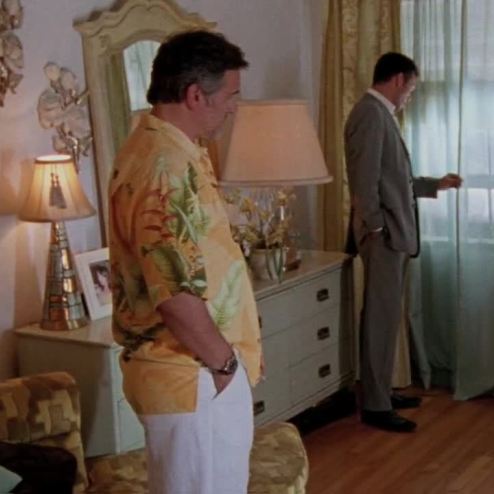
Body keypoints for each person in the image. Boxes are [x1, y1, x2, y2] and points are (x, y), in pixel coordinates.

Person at [108, 31, 262, 493]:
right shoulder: (164, 167)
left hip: (195, 373)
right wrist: (225, 366)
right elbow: (174, 293)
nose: (233, 108)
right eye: (231, 96)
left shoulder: (170, 148)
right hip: (192, 375)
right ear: (196, 95)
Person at [345, 52, 462, 433]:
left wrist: (434, 184)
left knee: (386, 318)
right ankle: (376, 405)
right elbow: (364, 182)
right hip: (384, 237)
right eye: (410, 88)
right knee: (379, 321)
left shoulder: (380, 115)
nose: (409, 96)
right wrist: (377, 228)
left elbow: (393, 180)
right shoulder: (369, 114)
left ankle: (381, 392)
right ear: (397, 79)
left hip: (391, 235)